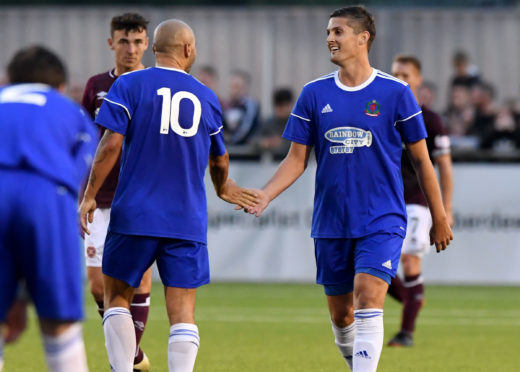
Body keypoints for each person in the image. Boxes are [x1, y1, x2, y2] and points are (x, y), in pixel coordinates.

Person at [246, 6, 453, 372]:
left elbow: (423, 161)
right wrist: (266, 193)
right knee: (342, 316)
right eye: (328, 32)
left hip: (382, 218)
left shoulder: (395, 93)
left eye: (338, 32)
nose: (330, 38)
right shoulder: (313, 94)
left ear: (363, 38)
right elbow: (296, 160)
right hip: (332, 222)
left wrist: (440, 216)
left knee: (369, 296)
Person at [79, 19, 258, 372]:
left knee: (116, 298)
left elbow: (110, 143)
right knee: (182, 312)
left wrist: (89, 194)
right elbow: (219, 156)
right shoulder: (206, 95)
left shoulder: (129, 84)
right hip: (185, 218)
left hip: (134, 214)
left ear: (153, 47)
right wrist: (223, 187)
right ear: (188, 49)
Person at [0, 45, 97, 372]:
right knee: (59, 322)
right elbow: (80, 168)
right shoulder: (71, 111)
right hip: (45, 195)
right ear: (59, 86)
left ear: (9, 81)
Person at [80, 12, 151, 370]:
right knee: (98, 286)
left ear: (148, 44)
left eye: (138, 41)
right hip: (101, 199)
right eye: (124, 41)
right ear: (112, 43)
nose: (131, 48)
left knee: (136, 284)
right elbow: (86, 142)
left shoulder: (155, 85)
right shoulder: (96, 86)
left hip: (141, 198)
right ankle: (134, 356)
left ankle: (122, 362)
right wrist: (83, 192)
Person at [386, 55, 454, 347]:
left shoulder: (430, 120)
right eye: (395, 74)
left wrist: (445, 210)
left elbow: (445, 168)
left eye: (405, 74)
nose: (399, 79)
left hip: (416, 201)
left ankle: (406, 334)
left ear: (417, 80)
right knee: (373, 264)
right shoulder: (382, 115)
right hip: (385, 202)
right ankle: (413, 298)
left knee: (410, 261)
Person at [222, 69, 261, 145]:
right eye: (232, 86)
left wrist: (230, 141)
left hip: (245, 152)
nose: (235, 90)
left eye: (237, 87)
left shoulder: (251, 106)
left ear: (245, 87)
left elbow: (245, 129)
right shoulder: (225, 105)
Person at [257, 88, 294, 158]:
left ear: (291, 105)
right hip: (271, 165)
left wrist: (281, 143)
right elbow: (253, 140)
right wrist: (264, 142)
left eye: (284, 106)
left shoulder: (297, 124)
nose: (281, 109)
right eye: (279, 106)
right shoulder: (268, 123)